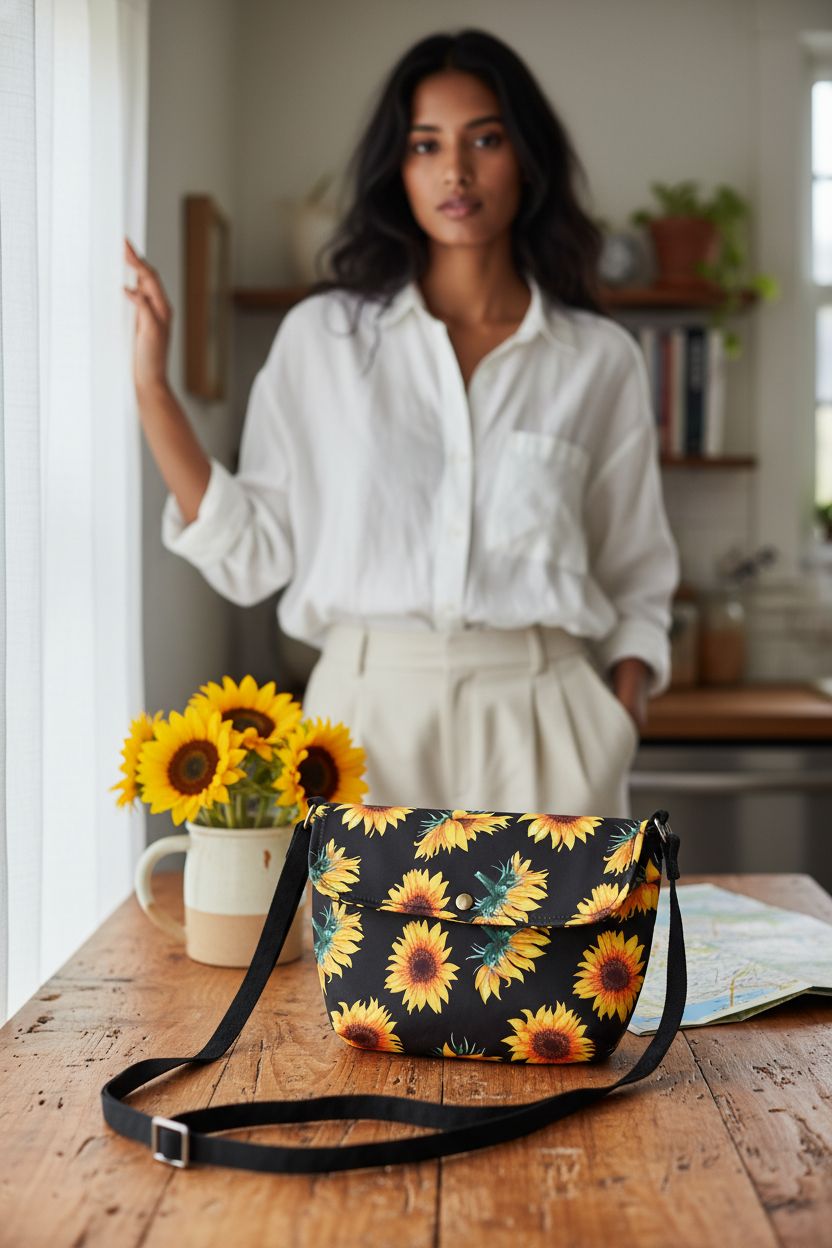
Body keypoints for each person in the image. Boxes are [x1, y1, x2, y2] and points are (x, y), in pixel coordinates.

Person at [124, 28, 679, 819]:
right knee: (360, 949)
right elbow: (254, 551)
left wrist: (615, 718)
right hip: (361, 721)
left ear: (527, 155)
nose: (456, 170)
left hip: (546, 724)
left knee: (559, 948)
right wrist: (152, 388)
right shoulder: (324, 340)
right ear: (398, 167)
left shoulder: (599, 360)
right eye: (426, 145)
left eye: (485, 139)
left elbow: (638, 573)